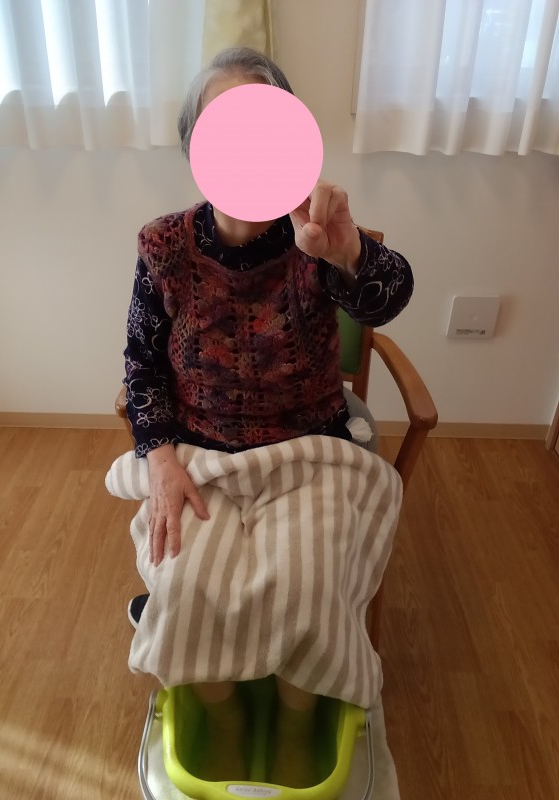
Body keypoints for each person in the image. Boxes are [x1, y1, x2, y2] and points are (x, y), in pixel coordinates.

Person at [123, 46, 413, 788]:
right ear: (195, 145)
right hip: (200, 454)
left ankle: (293, 715)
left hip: (309, 449)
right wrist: (161, 461)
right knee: (186, 586)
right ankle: (220, 715)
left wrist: (350, 252)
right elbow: (142, 364)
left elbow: (388, 298)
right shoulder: (163, 246)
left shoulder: (315, 237)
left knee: (309, 585)